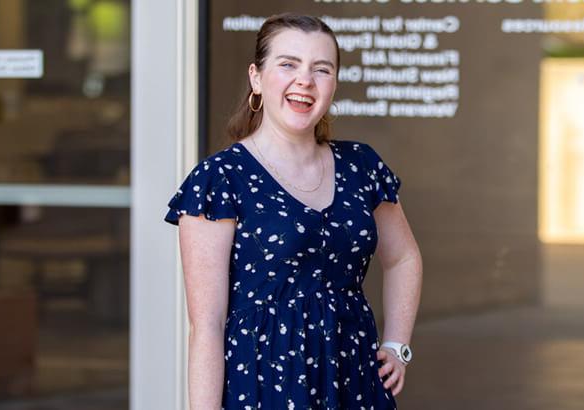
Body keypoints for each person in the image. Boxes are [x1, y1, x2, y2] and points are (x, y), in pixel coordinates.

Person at [164, 13, 423, 410]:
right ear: (256, 77)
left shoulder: (362, 166)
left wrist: (396, 343)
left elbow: (403, 257)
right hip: (264, 385)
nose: (305, 80)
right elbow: (207, 327)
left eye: (322, 69)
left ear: (333, 84)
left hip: (353, 379)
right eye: (288, 64)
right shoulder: (221, 179)